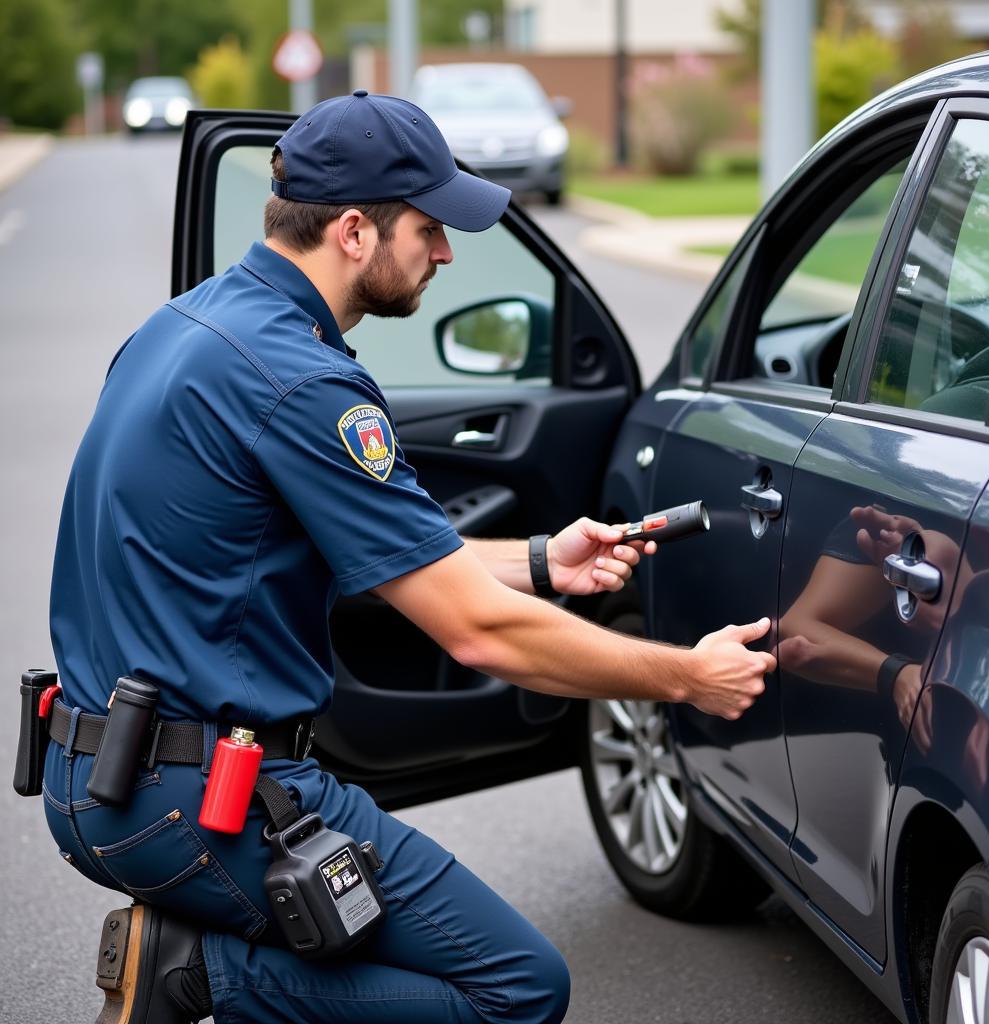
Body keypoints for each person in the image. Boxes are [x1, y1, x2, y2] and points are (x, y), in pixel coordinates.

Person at [44, 92, 775, 1024]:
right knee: (519, 988)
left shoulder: (182, 328)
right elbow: (476, 634)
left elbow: (398, 556)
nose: (444, 252)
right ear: (354, 231)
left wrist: (548, 559)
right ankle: (193, 975)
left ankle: (204, 975)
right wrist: (686, 679)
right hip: (202, 804)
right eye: (428, 228)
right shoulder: (306, 383)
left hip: (92, 780)